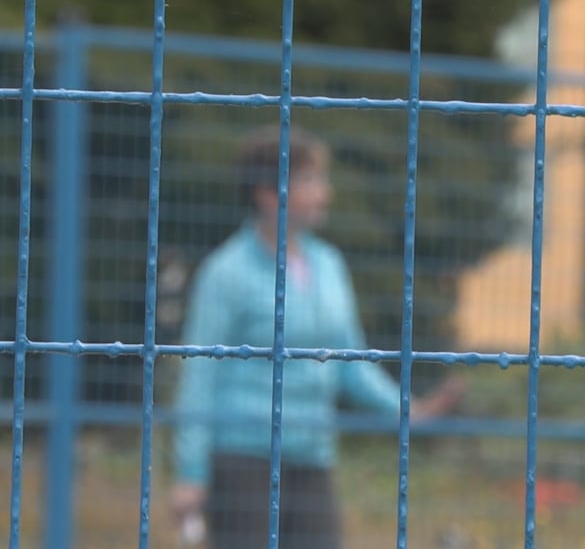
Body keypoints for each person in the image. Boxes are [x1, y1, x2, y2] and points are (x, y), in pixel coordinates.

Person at [170, 126, 464, 549]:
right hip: (244, 461)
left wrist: (408, 410)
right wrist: (191, 473)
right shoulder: (225, 272)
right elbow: (199, 376)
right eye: (309, 181)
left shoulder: (329, 265)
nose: (325, 193)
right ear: (266, 193)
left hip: (313, 458)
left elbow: (351, 364)